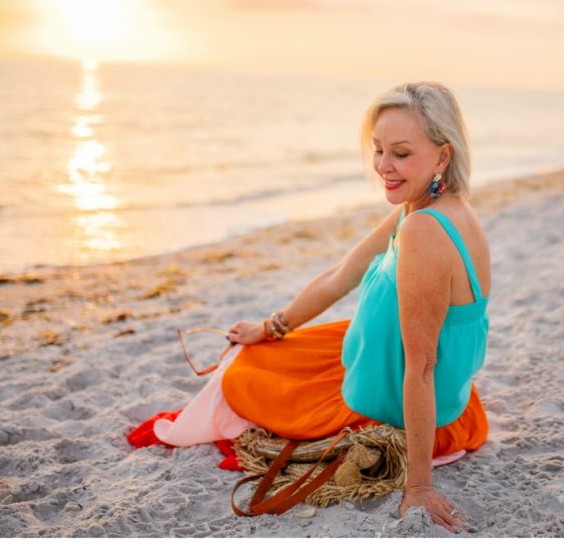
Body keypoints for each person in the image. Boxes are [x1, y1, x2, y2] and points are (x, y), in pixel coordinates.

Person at [128, 82, 491, 534]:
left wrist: (418, 488)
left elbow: (421, 365)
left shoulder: (424, 231)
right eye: (378, 150)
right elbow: (341, 275)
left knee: (244, 375)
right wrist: (272, 326)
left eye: (401, 153)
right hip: (420, 378)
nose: (383, 166)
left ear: (443, 155)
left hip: (403, 397)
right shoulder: (429, 207)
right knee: (266, 349)